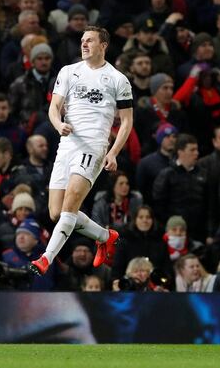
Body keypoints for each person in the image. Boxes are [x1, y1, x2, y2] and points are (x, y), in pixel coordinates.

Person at [29, 26, 133, 276]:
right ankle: (105, 236)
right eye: (82, 41)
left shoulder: (117, 79)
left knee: (70, 205)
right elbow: (54, 108)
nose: (84, 44)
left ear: (103, 45)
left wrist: (113, 152)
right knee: (57, 213)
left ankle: (45, 259)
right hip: (67, 146)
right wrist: (58, 124)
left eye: (90, 41)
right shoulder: (69, 72)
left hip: (93, 146)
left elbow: (127, 121)